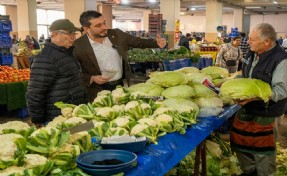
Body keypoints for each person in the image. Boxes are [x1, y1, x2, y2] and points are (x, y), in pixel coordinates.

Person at [230, 23, 287, 176]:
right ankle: (249, 172)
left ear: (267, 41)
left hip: (267, 112)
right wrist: (228, 83)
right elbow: (246, 76)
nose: (248, 42)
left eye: (252, 40)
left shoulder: (281, 60)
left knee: (263, 151)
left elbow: (281, 91)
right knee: (241, 144)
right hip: (248, 108)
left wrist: (254, 97)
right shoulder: (252, 53)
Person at [73, 10, 166, 102]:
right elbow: (73, 72)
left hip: (119, 86)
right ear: (86, 29)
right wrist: (91, 78)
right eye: (98, 25)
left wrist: (156, 43)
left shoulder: (116, 35)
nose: (105, 27)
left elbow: (139, 42)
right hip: (96, 91)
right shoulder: (78, 46)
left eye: (104, 23)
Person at [26, 19, 87, 126]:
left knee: (82, 138)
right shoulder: (45, 58)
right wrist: (37, 120)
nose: (73, 37)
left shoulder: (68, 54)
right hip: (56, 118)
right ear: (54, 34)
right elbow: (35, 93)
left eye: (74, 33)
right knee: (65, 141)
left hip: (74, 114)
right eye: (69, 33)